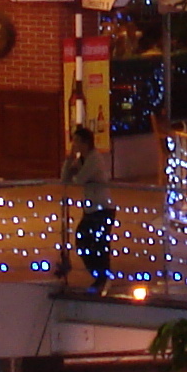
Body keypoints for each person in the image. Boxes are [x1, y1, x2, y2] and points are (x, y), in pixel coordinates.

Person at [61, 124, 114, 295]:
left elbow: (79, 180)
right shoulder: (83, 159)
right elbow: (65, 179)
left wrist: (74, 170)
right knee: (83, 241)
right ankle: (99, 275)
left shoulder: (94, 159)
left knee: (99, 244)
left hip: (103, 209)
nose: (74, 145)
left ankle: (102, 277)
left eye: (76, 141)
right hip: (91, 209)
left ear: (85, 143)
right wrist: (69, 160)